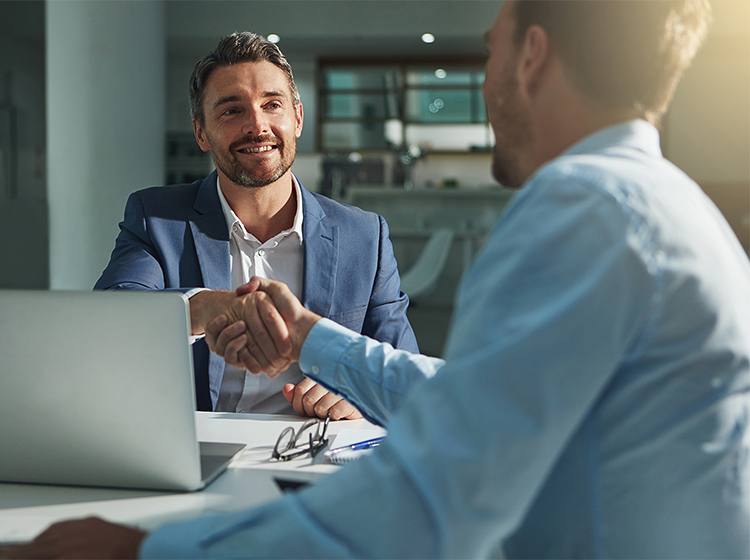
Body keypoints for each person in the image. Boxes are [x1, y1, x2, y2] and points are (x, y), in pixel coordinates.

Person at [7, 0, 750, 558]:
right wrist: (311, 340)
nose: (483, 83)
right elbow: (464, 405)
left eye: (487, 55)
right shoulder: (663, 204)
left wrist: (145, 551)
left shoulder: (582, 212)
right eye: (231, 110)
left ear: (531, 56)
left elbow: (434, 499)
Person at [93, 32, 418, 418]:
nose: (257, 125)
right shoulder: (155, 217)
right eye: (232, 110)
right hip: (193, 455)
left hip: (313, 454)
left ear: (297, 118)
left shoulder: (364, 236)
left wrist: (362, 395)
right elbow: (110, 319)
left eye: (272, 104)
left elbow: (404, 373)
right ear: (201, 132)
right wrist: (207, 307)